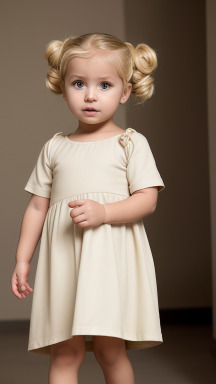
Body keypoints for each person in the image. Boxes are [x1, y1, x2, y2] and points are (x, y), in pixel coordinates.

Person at [11, 32, 166, 384]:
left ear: (125, 91)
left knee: (111, 350)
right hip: (65, 263)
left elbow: (148, 199)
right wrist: (23, 258)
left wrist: (105, 213)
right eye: (79, 83)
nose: (91, 95)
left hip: (108, 262)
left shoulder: (130, 143)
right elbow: (37, 206)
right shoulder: (55, 147)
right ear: (63, 87)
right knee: (65, 351)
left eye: (105, 85)